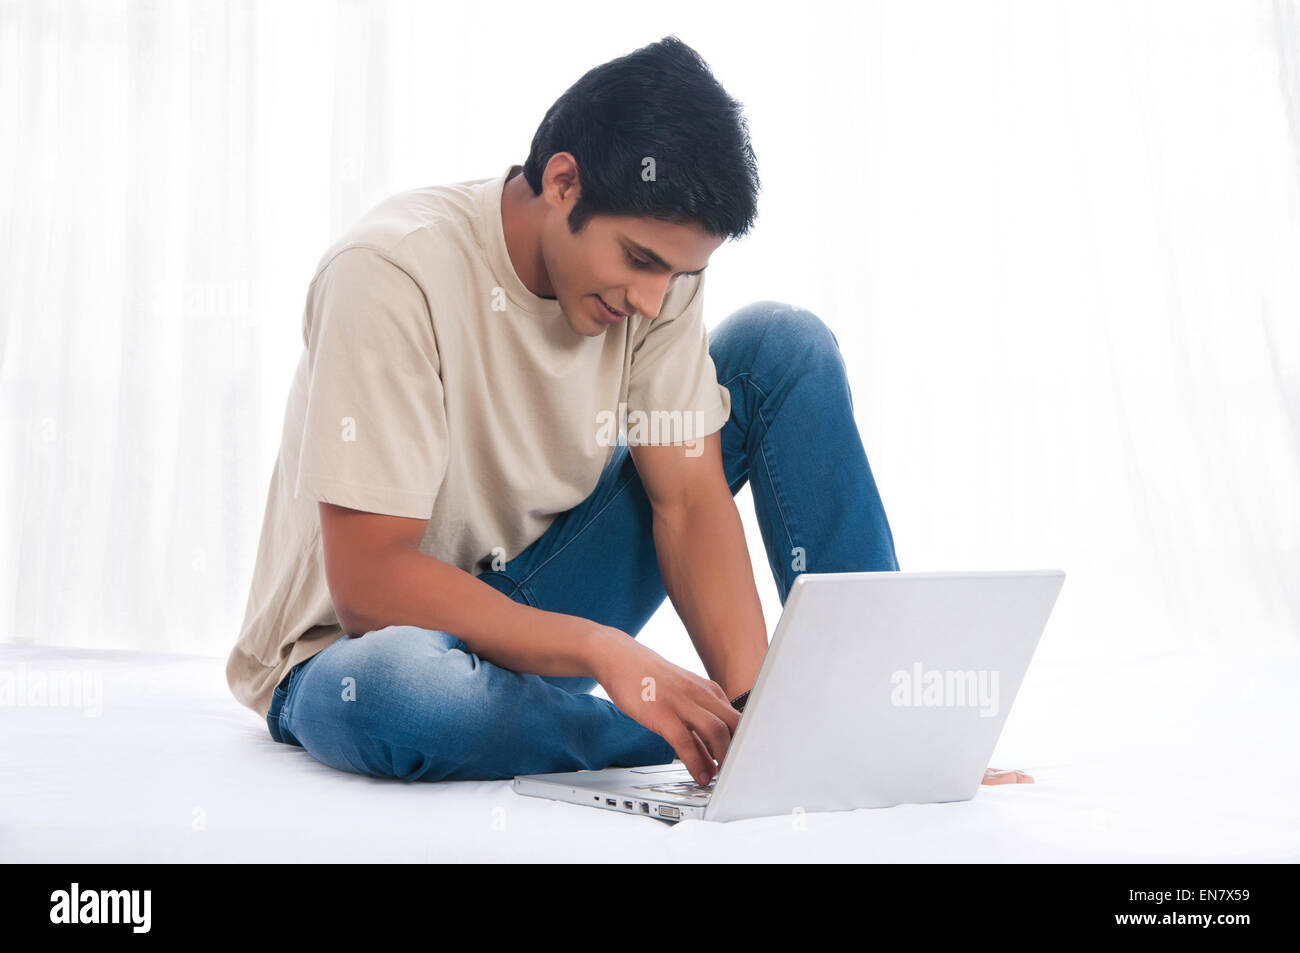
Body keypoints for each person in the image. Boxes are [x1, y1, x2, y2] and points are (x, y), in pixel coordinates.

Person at [228, 35, 900, 789]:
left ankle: (862, 729)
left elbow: (685, 503)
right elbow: (369, 585)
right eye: (640, 260)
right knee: (406, 694)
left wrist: (745, 702)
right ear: (564, 182)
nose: (653, 299)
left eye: (681, 273)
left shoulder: (661, 286)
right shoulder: (391, 273)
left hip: (533, 596)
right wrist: (603, 653)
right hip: (357, 647)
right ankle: (677, 736)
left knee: (785, 345)